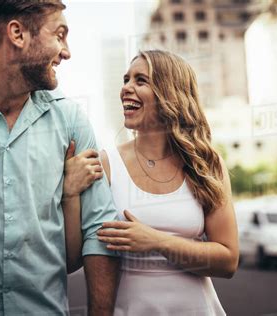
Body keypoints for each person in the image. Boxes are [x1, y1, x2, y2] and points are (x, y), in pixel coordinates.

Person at [0, 1, 119, 315]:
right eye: (59, 35)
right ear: (17, 33)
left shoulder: (70, 120)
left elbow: (100, 229)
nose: (66, 51)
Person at [64, 50, 239, 315]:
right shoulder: (107, 164)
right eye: (126, 79)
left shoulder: (205, 163)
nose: (126, 88)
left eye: (140, 80)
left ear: (170, 93)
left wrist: (156, 241)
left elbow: (228, 261)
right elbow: (73, 258)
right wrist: (69, 193)